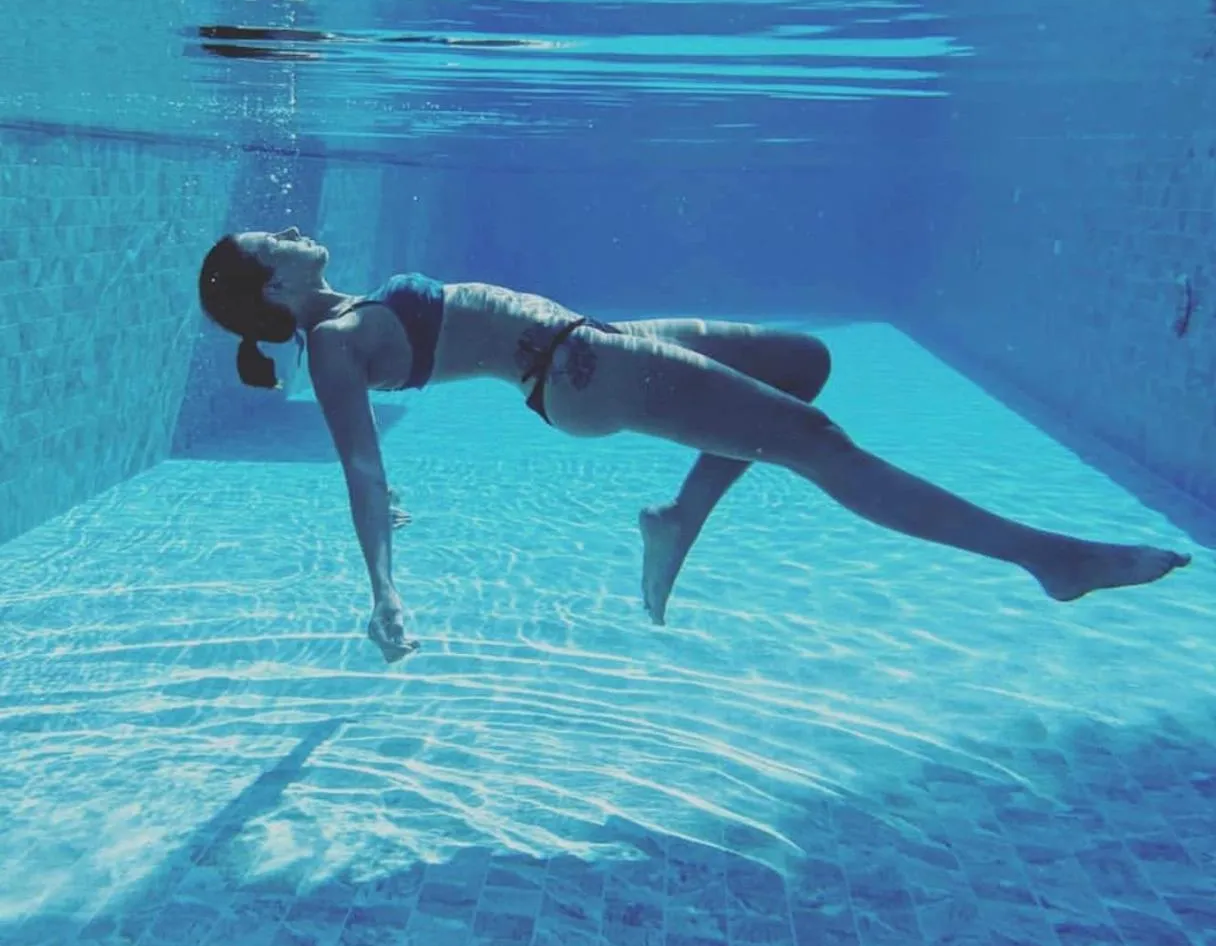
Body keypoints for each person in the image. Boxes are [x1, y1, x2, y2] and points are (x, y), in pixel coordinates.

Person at [198, 227, 1191, 663]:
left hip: (593, 343)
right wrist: (384, 593)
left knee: (801, 364)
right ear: (275, 290)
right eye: (270, 244)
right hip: (583, 373)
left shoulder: (343, 310)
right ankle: (1047, 557)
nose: (288, 229)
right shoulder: (331, 344)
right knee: (814, 441)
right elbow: (360, 468)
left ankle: (677, 520)